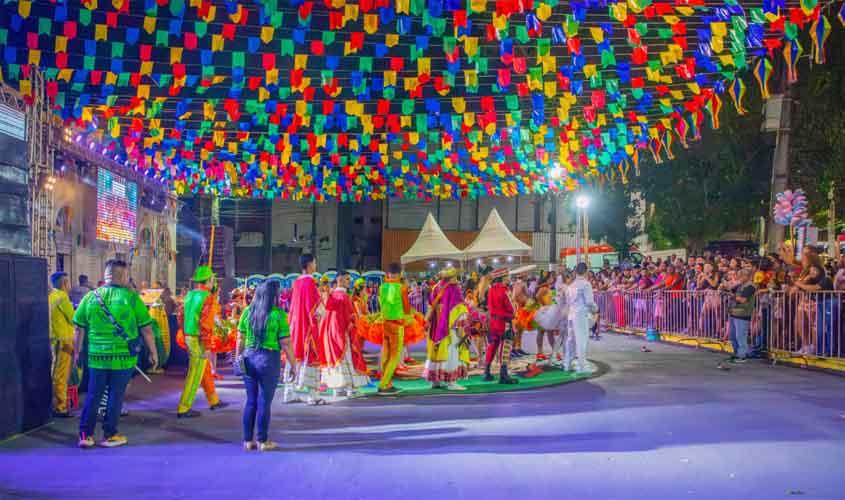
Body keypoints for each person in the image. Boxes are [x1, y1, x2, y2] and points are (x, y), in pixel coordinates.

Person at [72, 260, 158, 448]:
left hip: (96, 357)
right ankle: (110, 434)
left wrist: (76, 353)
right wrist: (153, 352)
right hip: (123, 358)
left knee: (93, 395)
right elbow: (147, 329)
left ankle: (85, 435)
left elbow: (78, 328)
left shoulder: (90, 297)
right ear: (124, 276)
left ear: (106, 275)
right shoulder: (132, 298)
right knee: (115, 396)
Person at [236, 280, 289, 451]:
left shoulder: (247, 312)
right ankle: (262, 441)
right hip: (269, 359)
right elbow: (286, 343)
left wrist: (238, 357)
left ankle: (247, 441)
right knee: (264, 402)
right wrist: (294, 365)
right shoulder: (279, 315)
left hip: (249, 358)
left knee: (251, 401)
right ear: (274, 295)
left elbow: (240, 339)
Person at [177, 265, 228, 419]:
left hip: (189, 336)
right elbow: (205, 324)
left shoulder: (190, 295)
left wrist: (186, 332)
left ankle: (214, 400)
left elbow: (181, 316)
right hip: (198, 338)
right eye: (213, 279)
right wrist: (207, 345)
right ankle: (183, 408)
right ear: (209, 280)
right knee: (195, 373)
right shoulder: (209, 298)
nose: (214, 281)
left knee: (203, 369)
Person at [320, 272, 369, 397]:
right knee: (348, 358)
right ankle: (350, 389)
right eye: (347, 279)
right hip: (343, 333)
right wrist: (354, 326)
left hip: (330, 333)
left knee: (336, 360)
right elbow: (350, 317)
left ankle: (337, 389)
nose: (349, 281)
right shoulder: (343, 296)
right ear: (340, 280)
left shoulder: (332, 295)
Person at [423, 267, 469, 390]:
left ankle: (435, 381)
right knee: (452, 351)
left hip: (436, 326)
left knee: (436, 351)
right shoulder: (454, 289)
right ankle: (451, 382)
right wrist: (461, 326)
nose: (457, 279)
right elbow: (459, 309)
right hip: (450, 327)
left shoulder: (436, 288)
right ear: (452, 277)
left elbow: (430, 306)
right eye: (456, 276)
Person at [289, 254, 326, 405]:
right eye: (315, 263)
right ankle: (313, 396)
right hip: (308, 327)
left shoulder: (296, 282)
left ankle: (289, 393)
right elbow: (315, 306)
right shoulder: (310, 282)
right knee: (311, 357)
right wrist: (323, 312)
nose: (315, 266)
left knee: (294, 357)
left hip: (296, 325)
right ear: (310, 264)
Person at [377, 263, 411, 395]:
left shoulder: (382, 287)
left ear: (388, 273)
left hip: (385, 323)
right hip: (396, 325)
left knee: (386, 353)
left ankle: (387, 382)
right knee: (395, 356)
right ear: (400, 274)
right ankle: (384, 384)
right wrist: (409, 318)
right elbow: (406, 307)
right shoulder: (401, 288)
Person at [49, 272, 76, 418]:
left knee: (57, 373)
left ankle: (60, 403)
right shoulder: (62, 297)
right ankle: (61, 406)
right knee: (61, 374)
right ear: (64, 283)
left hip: (55, 339)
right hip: (64, 341)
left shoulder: (51, 296)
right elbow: (74, 319)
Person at [485, 268, 518, 384]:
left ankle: (487, 372)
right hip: (504, 322)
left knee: (492, 345)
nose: (508, 277)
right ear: (503, 277)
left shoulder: (491, 290)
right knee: (506, 347)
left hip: (493, 322)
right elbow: (512, 307)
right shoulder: (505, 290)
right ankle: (503, 375)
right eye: (507, 275)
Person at [564, 263, 597, 373]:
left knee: (570, 340)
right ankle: (581, 367)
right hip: (580, 315)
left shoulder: (571, 285)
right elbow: (589, 302)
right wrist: (595, 309)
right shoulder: (586, 284)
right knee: (581, 340)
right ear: (586, 271)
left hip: (571, 314)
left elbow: (568, 301)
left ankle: (567, 364)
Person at [727, 269, 756, 363]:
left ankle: (742, 356)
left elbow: (743, 300)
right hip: (734, 312)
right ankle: (737, 353)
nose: (738, 278)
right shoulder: (740, 285)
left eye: (740, 276)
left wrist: (733, 296)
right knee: (733, 335)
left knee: (741, 336)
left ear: (746, 276)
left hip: (743, 313)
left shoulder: (750, 287)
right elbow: (730, 289)